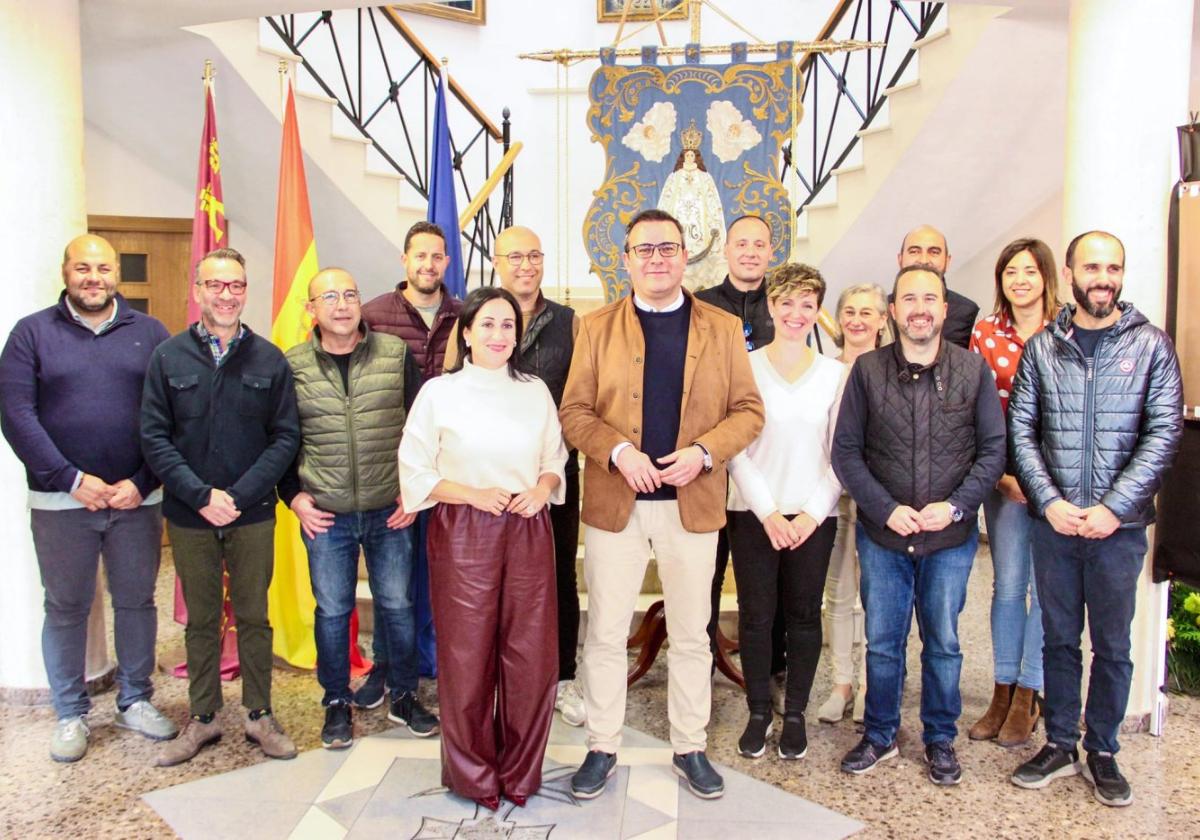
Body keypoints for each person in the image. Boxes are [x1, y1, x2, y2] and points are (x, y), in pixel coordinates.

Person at [560, 208, 764, 801]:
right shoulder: (596, 328)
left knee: (693, 632)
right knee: (603, 630)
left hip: (692, 505)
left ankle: (689, 746)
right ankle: (601, 745)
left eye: (667, 248)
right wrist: (619, 452)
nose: (656, 258)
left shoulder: (722, 329)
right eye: (644, 249)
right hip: (617, 503)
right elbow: (575, 413)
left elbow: (749, 411)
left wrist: (704, 453)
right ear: (625, 259)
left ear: (686, 256)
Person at [1008, 231, 1182, 807]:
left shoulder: (1152, 346)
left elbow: (1163, 434)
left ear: (1122, 275)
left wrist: (1112, 508)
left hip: (1119, 531)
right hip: (1053, 525)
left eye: (1113, 267)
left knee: (1112, 645)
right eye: (1092, 267)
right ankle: (1059, 742)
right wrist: (1050, 501)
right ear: (1072, 272)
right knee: (1058, 640)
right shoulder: (1042, 349)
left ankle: (1102, 749)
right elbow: (1022, 434)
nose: (1102, 277)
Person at [0, 234, 174, 762]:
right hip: (61, 504)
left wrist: (141, 482)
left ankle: (136, 700)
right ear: (65, 271)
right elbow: (16, 414)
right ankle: (71, 713)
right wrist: (70, 479)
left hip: (134, 502)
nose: (93, 277)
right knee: (67, 607)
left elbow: (167, 416)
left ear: (116, 272)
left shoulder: (150, 333)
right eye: (82, 267)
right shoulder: (31, 333)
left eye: (102, 267)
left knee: (137, 602)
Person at [832, 263, 1005, 786]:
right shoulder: (867, 372)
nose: (920, 308)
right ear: (893, 309)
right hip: (884, 536)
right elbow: (846, 452)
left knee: (944, 643)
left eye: (930, 299)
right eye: (909, 299)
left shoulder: (973, 371)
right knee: (884, 642)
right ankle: (880, 734)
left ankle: (939, 738)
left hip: (950, 538)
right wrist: (886, 508)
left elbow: (993, 452)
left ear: (944, 309)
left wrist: (953, 507)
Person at [399, 286, 567, 811]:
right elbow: (416, 469)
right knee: (467, 656)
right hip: (463, 529)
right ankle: (473, 774)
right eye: (488, 325)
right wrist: (472, 493)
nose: (499, 335)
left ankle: (520, 771)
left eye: (508, 326)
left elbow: (553, 457)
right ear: (466, 333)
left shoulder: (534, 390)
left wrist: (542, 488)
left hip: (527, 528)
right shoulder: (439, 393)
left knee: (530, 656)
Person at [141, 247, 300, 766]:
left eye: (235, 285)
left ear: (245, 291)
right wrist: (200, 495)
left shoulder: (270, 360)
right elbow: (154, 437)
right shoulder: (168, 357)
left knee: (254, 615)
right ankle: (204, 717)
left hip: (251, 514)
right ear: (198, 290)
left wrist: (238, 495)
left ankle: (259, 713)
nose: (226, 294)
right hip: (191, 515)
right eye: (216, 285)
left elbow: (284, 438)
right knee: (203, 620)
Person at [278, 267, 437, 750]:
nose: (342, 304)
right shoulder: (292, 365)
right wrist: (294, 496)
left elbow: (420, 428)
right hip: (326, 514)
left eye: (350, 293)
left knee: (398, 605)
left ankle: (404, 694)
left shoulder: (393, 354)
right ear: (312, 309)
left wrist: (414, 493)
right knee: (332, 612)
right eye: (329, 296)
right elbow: (282, 437)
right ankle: (335, 703)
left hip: (390, 509)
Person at [445, 225, 585, 727]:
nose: (526, 265)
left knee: (558, 576)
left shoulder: (570, 323)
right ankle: (493, 683)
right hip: (482, 488)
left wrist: (548, 476)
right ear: (497, 262)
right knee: (484, 588)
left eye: (534, 255)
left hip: (549, 477)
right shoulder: (483, 318)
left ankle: (563, 677)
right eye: (514, 257)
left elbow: (582, 397)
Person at [726, 264, 845, 761]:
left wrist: (811, 514)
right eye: (787, 303)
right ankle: (758, 711)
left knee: (803, 615)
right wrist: (769, 512)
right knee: (756, 617)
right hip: (753, 512)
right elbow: (733, 447)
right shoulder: (744, 367)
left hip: (813, 517)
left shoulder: (836, 375)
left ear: (818, 311)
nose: (796, 313)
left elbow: (844, 453)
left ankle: (794, 713)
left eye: (807, 304)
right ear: (771, 306)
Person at [359, 220, 462, 703]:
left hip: (451, 470)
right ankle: (387, 667)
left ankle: (443, 659)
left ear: (447, 261)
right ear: (405, 260)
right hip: (391, 468)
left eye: (437, 256)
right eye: (419, 256)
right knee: (393, 581)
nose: (428, 264)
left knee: (442, 572)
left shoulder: (466, 315)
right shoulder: (374, 314)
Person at [967, 238, 1060, 747]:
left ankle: (1030, 693)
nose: (1020, 279)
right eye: (1010, 272)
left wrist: (1046, 483)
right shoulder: (986, 333)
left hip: (1061, 487)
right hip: (1003, 482)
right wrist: (1003, 475)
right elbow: (979, 412)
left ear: (1047, 275)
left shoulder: (1067, 330)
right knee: (1008, 587)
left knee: (1048, 591)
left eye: (1029, 270)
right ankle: (1001, 690)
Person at [696, 214, 786, 711]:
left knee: (763, 578)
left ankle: (771, 667)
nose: (750, 252)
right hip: (709, 462)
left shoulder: (783, 308)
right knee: (707, 573)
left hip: (764, 464)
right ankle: (701, 659)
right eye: (741, 244)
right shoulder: (702, 305)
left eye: (760, 244)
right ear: (726, 251)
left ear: (771, 252)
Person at [816, 283, 890, 725]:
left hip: (879, 499)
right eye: (849, 311)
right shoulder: (824, 371)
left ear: (884, 319)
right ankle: (841, 684)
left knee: (876, 597)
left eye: (867, 312)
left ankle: (871, 685)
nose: (857, 320)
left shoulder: (893, 369)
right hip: (832, 497)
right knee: (838, 593)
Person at [657, 120, 727, 291]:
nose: (689, 157)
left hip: (701, 230)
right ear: (683, 156)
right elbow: (666, 200)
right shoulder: (674, 177)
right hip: (679, 221)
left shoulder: (705, 177)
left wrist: (715, 226)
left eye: (692, 155)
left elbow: (713, 203)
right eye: (687, 155)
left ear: (696, 157)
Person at [897, 225, 979, 348]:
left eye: (934, 252)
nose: (924, 260)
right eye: (914, 251)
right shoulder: (880, 310)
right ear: (900, 259)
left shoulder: (967, 311)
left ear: (948, 260)